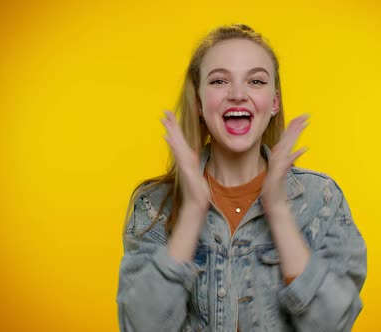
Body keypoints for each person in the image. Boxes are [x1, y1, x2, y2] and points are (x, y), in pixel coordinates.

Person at [116, 24, 367, 332]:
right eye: (220, 80)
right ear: (198, 102)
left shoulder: (322, 199)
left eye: (256, 81)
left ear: (274, 103)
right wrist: (193, 211)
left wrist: (277, 211)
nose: (237, 95)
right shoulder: (153, 204)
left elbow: (333, 324)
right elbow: (142, 326)